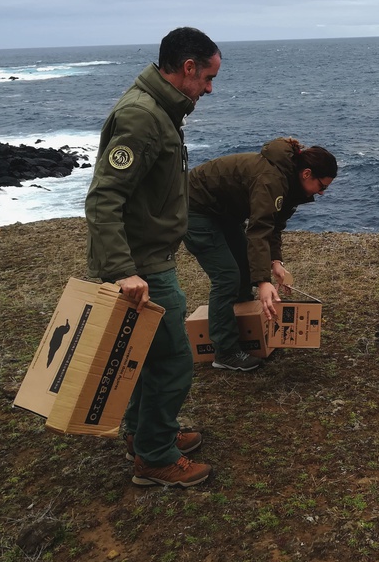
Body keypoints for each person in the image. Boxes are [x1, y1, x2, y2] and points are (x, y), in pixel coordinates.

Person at [85, 27, 221, 488]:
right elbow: (104, 199)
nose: (208, 88)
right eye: (206, 78)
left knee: (142, 355)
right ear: (187, 69)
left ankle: (142, 433)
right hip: (142, 267)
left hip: (149, 258)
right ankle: (155, 456)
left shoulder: (161, 111)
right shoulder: (143, 116)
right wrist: (124, 271)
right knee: (172, 361)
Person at [184, 137, 338, 371]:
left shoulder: (291, 183)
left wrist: (275, 261)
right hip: (195, 208)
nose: (322, 193)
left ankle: (245, 333)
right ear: (307, 174)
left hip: (224, 212)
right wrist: (263, 281)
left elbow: (274, 225)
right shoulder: (271, 180)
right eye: (322, 186)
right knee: (227, 278)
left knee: (245, 268)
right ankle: (225, 352)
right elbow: (258, 230)